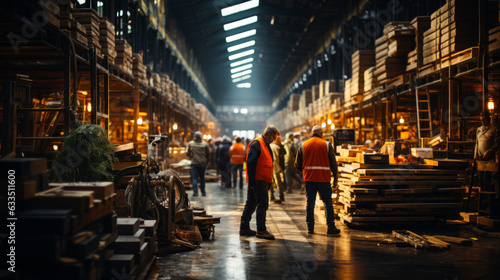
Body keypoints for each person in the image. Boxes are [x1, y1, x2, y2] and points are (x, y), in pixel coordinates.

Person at [295, 125, 341, 235]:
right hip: (323, 178)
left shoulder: (303, 145)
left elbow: (297, 164)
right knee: (327, 202)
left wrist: (305, 171)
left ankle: (310, 227)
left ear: (311, 133)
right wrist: (335, 178)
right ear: (321, 134)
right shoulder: (327, 145)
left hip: (309, 179)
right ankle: (331, 227)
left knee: (310, 203)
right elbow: (333, 164)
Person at [239, 126, 280, 240]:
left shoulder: (265, 145)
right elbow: (250, 164)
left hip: (262, 180)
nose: (273, 140)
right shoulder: (257, 144)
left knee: (251, 203)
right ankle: (261, 230)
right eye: (273, 138)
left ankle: (244, 227)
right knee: (263, 204)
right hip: (258, 180)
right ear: (268, 135)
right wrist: (252, 182)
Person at [186, 131, 209, 197]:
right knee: (202, 178)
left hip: (194, 163)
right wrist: (206, 161)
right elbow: (208, 153)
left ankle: (195, 192)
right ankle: (203, 192)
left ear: (194, 136)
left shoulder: (190, 143)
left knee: (195, 178)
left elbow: (187, 152)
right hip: (202, 163)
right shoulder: (205, 144)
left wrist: (191, 158)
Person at [270, 135, 286, 203]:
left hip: (270, 167)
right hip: (277, 167)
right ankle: (281, 196)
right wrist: (282, 168)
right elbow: (282, 159)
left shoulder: (270, 146)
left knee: (270, 182)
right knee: (279, 182)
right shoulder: (279, 147)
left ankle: (271, 196)